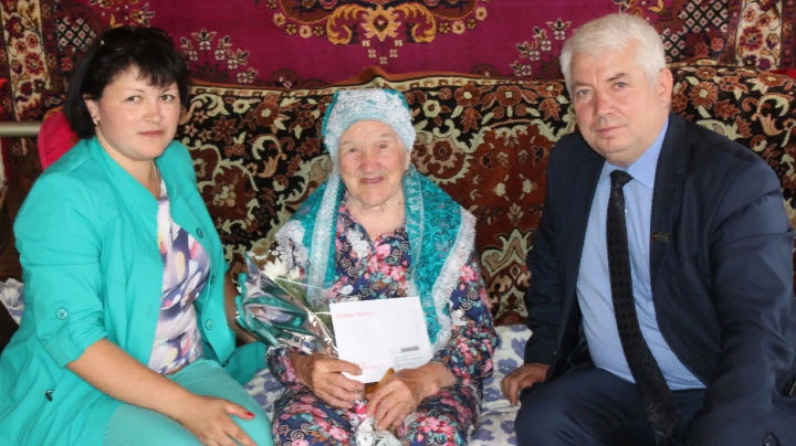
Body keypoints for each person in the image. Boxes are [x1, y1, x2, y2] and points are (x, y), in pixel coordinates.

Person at [501, 13, 796, 446]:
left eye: (619, 84)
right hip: (616, 384)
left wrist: (727, 433)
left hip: (711, 386)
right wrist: (545, 354)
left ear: (662, 87)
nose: (602, 108)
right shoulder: (571, 163)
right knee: (543, 421)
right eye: (584, 92)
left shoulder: (734, 182)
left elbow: (759, 328)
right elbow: (550, 268)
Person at [0, 26, 273, 446]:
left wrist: (274, 331)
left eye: (166, 96)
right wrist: (188, 408)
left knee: (251, 436)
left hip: (185, 365)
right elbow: (74, 339)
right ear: (93, 106)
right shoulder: (64, 196)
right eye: (134, 98)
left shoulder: (174, 161)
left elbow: (206, 275)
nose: (154, 115)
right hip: (86, 385)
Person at [256, 88, 498, 445]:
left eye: (383, 145)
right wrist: (306, 369)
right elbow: (278, 335)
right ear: (336, 159)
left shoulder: (447, 229)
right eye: (352, 149)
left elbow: (477, 337)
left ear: (407, 152)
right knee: (300, 432)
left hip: (426, 386)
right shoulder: (302, 235)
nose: (368, 164)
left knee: (435, 434)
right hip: (336, 392)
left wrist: (420, 381)